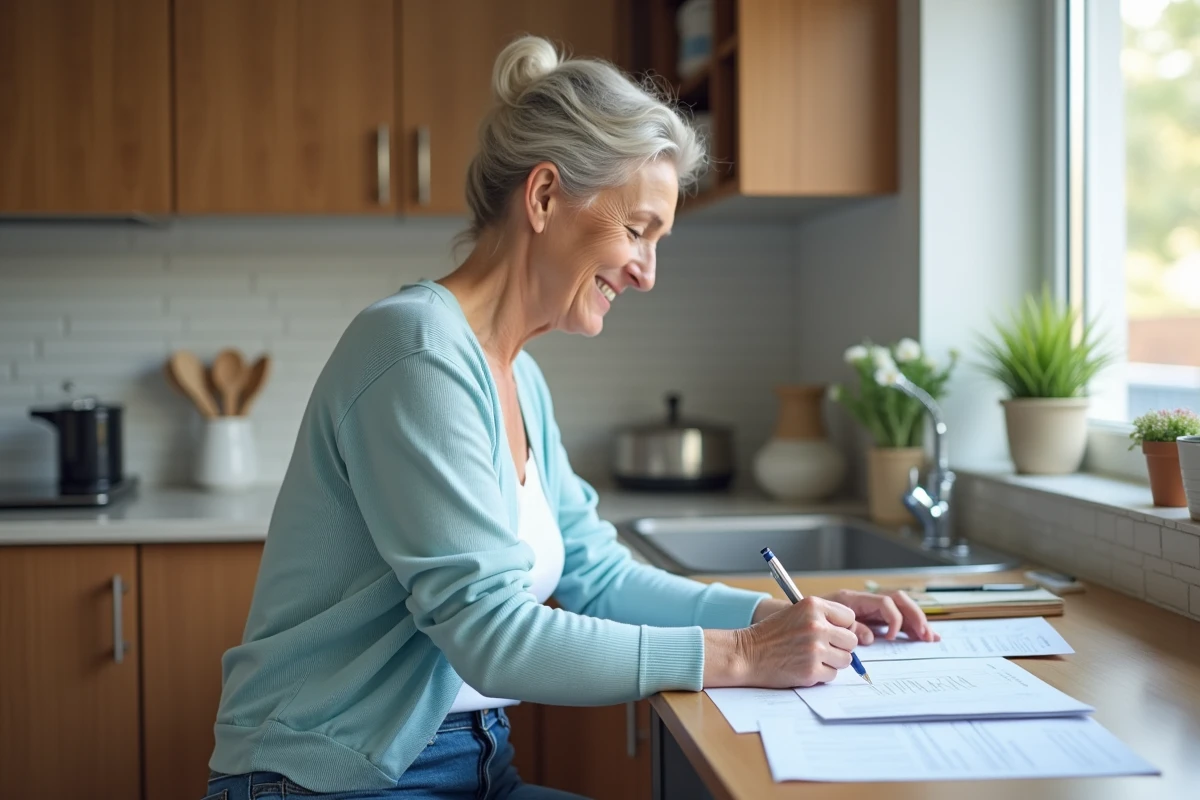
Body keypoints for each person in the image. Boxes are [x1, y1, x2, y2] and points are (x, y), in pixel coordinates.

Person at [201, 36, 937, 800]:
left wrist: (786, 616)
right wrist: (745, 654)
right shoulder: (416, 349)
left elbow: (596, 575)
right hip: (335, 780)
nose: (646, 273)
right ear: (546, 196)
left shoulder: (518, 372)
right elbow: (490, 636)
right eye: (639, 230)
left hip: (471, 766)